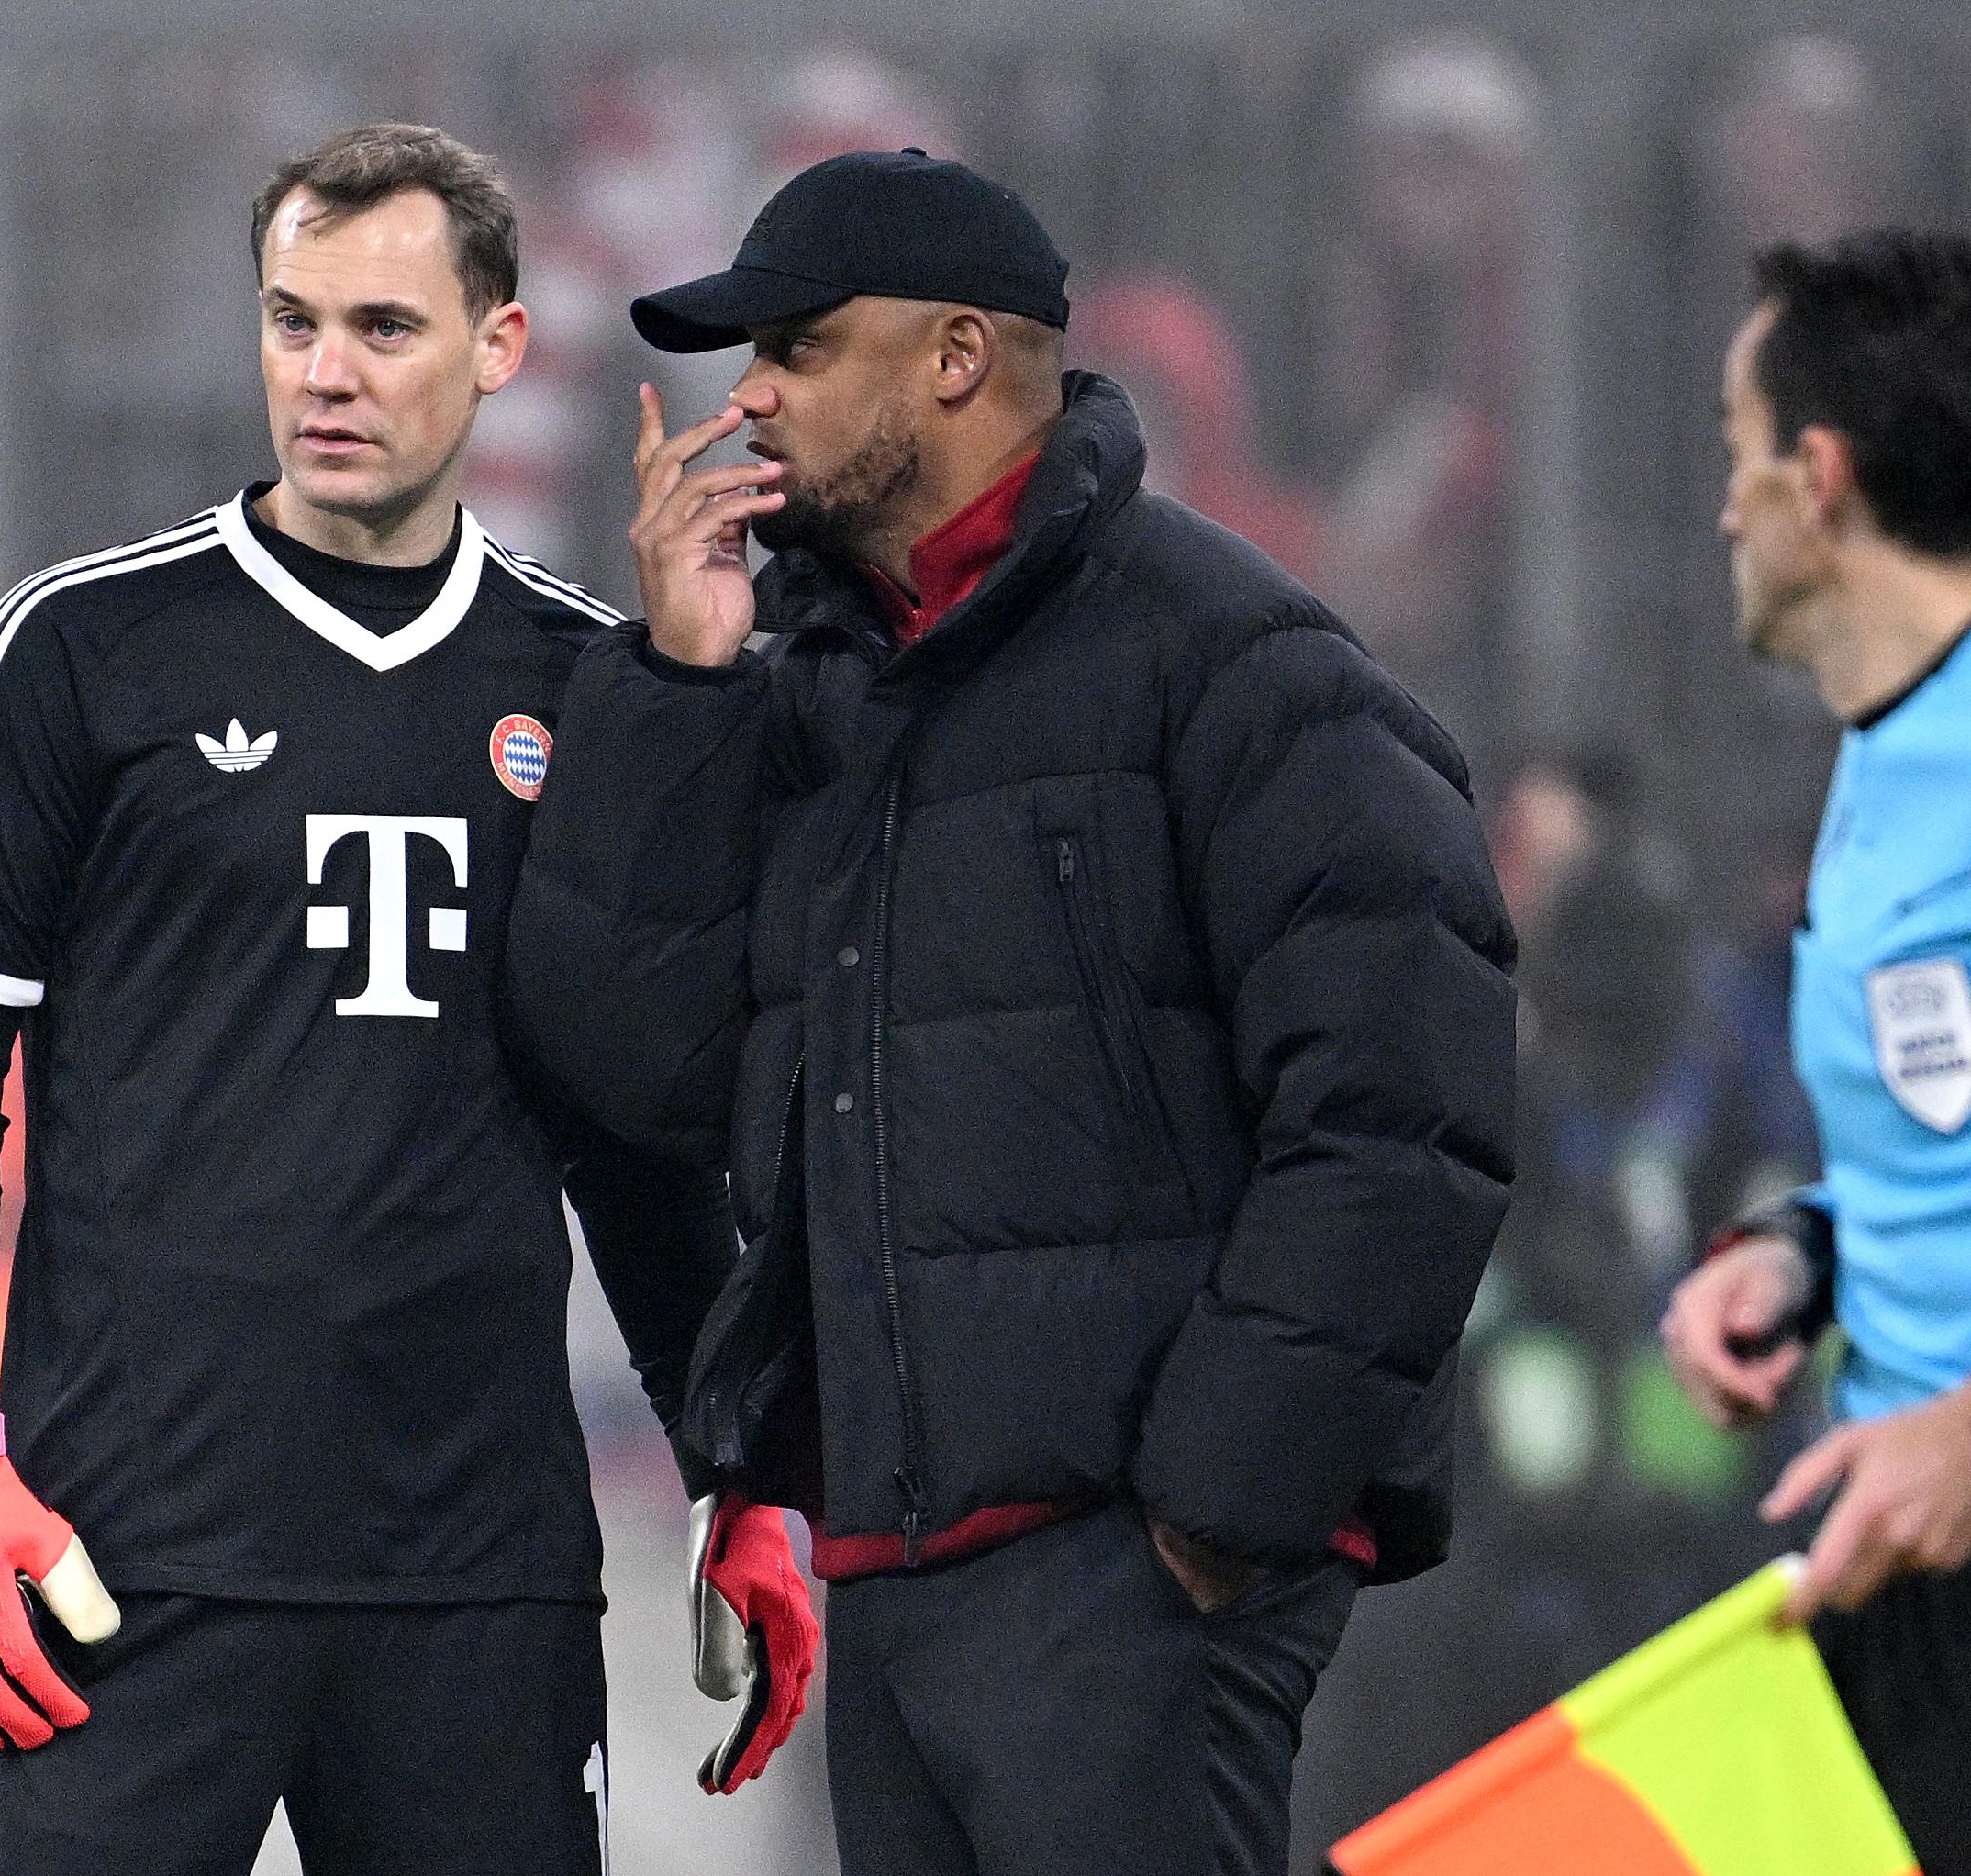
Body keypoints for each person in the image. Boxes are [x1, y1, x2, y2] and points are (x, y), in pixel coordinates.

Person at [506, 149, 1517, 1874]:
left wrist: (1208, 1509)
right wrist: (674, 683)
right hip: (892, 1574)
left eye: (802, 348)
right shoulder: (805, 683)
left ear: (957, 360)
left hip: (1126, 1572)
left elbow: (1402, 1105)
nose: (748, 394)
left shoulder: (1236, 662)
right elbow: (632, 1062)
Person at [0, 123, 817, 1876]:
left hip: (475, 1575)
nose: (326, 374)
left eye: (383, 327)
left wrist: (727, 1461)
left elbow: (626, 1129)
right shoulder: (80, 647)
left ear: (499, 350)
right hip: (126, 1554)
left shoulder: (579, 675)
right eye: (292, 322)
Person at [1659, 228, 1971, 1874]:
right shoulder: (1882, 759)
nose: (1723, 504)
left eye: (1734, 449)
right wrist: (1801, 1255)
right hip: (1904, 1574)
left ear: (1820, 473)